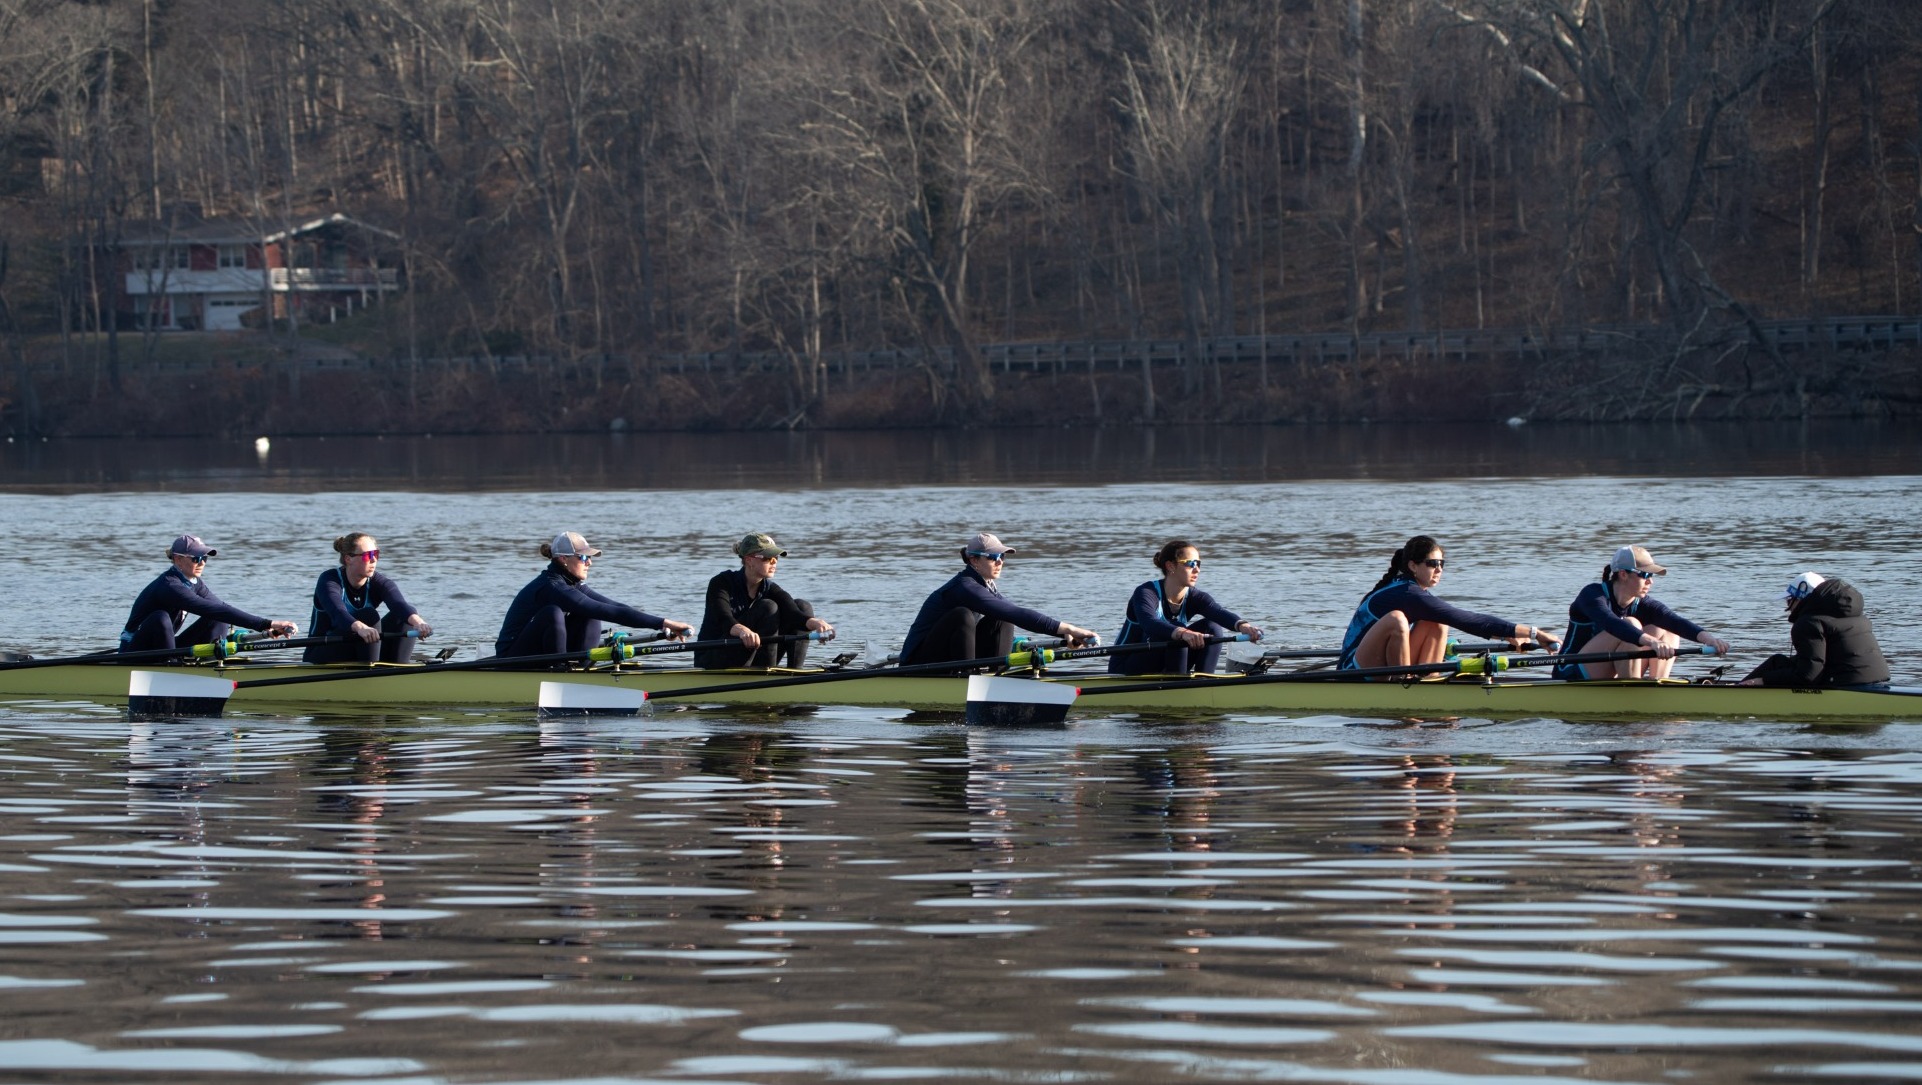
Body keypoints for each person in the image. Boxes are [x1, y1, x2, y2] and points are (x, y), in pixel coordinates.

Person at [1340, 534, 1559, 670]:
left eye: (1442, 563)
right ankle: (1403, 683)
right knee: (1397, 619)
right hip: (1354, 667)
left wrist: (1507, 633)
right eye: (1432, 563)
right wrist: (1534, 633)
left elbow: (1457, 618)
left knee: (1437, 621)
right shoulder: (1406, 593)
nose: (1439, 569)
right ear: (1413, 566)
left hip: (1378, 661)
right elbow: (1468, 620)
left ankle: (1427, 677)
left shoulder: (1411, 591)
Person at [899, 532, 1098, 667]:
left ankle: (993, 675)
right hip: (917, 664)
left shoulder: (985, 586)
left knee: (1002, 618)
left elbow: (1013, 613)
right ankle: (968, 679)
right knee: (963, 615)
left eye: (1002, 556)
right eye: (993, 556)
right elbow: (1017, 613)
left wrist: (1063, 636)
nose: (1000, 561)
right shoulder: (964, 586)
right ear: (974, 560)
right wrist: (1070, 629)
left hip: (945, 657)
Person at [494, 532, 691, 658]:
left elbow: (617, 608)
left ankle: (580, 666)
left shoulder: (572, 584)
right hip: (511, 657)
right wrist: (666, 623)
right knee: (553, 613)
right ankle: (559, 672)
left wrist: (664, 625)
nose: (589, 563)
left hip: (538, 651)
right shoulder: (551, 586)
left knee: (589, 612)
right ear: (563, 559)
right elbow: (607, 612)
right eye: (584, 557)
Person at [1555, 545, 1731, 680]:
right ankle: (1632, 690)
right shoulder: (1592, 596)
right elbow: (1612, 623)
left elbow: (1675, 621)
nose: (1650, 582)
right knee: (1631, 624)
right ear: (1623, 574)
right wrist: (1651, 642)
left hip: (1606, 668)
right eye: (1645, 575)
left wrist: (1710, 639)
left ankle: (1657, 683)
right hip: (1570, 670)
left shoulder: (1642, 603)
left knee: (1666, 628)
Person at [121, 534, 299, 653]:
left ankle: (213, 659)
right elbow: (207, 608)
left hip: (163, 647)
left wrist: (268, 628)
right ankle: (170, 666)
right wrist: (266, 623)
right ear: (177, 559)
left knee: (219, 616)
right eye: (196, 558)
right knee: (160, 617)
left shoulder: (195, 583)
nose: (202, 563)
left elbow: (220, 608)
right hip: (134, 650)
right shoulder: (169, 585)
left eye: (204, 558)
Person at [1108, 540, 1263, 675]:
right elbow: (1149, 623)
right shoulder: (1146, 593)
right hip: (1126, 666)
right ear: (1170, 566)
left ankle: (1204, 682)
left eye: (1199, 564)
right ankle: (1178, 686)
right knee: (1178, 628)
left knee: (1212, 627)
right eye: (1191, 564)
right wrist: (1183, 633)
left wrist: (1244, 627)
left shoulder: (1196, 597)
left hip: (1166, 659)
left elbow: (1218, 613)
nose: (1197, 570)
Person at [694, 533, 835, 670]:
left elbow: (794, 614)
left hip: (749, 653)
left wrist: (817, 624)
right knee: (768, 607)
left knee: (803, 606)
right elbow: (724, 619)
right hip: (712, 657)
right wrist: (743, 630)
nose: (774, 562)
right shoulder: (721, 583)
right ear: (749, 560)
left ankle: (795, 672)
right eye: (768, 558)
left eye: (776, 558)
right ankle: (766, 674)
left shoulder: (770, 588)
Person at [1740, 572, 1890, 688]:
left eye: (1789, 599)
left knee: (1779, 666)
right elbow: (1815, 661)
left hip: (1846, 685)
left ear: (1800, 599)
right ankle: (1742, 686)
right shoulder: (1854, 615)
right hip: (1876, 680)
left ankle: (1740, 691)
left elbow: (1808, 675)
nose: (1787, 607)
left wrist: (1763, 680)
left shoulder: (1809, 623)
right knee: (1778, 662)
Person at [304, 533, 433, 664]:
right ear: (348, 559)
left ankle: (398, 671)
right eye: (368, 556)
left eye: (375, 554)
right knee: (368, 615)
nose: (373, 560)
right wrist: (361, 628)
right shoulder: (329, 581)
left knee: (404, 618)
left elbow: (399, 604)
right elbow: (338, 613)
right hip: (321, 652)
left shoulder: (378, 582)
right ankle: (371, 675)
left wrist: (419, 623)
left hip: (359, 648)